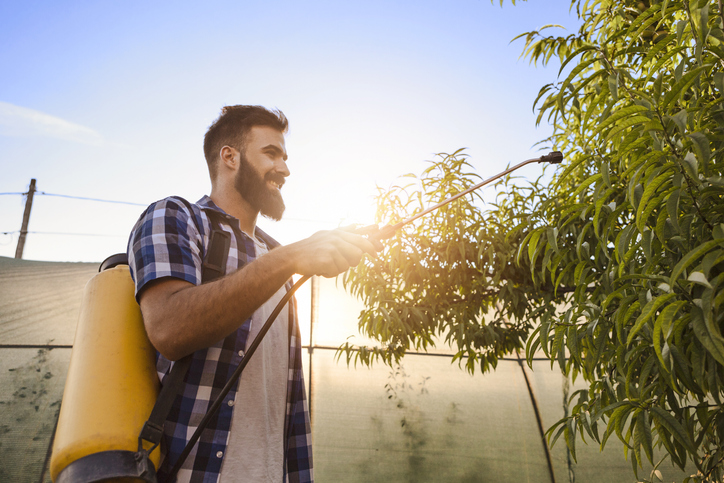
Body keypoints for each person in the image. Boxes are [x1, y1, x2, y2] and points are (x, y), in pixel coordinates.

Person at [127, 105, 381, 483]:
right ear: (230, 156)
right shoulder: (176, 217)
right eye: (271, 153)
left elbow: (288, 399)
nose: (285, 168)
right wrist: (291, 256)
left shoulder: (274, 253)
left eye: (285, 156)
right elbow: (169, 328)